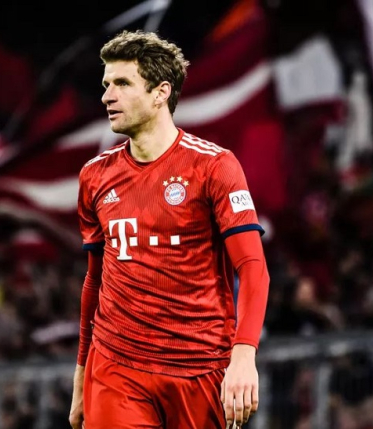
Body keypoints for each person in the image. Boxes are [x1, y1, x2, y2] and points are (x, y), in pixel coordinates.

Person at [69, 30, 270, 429]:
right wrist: (80, 375)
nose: (108, 96)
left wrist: (244, 355)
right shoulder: (94, 177)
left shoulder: (214, 167)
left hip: (199, 367)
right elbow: (95, 281)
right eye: (106, 84)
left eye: (122, 83)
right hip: (116, 367)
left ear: (161, 93)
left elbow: (252, 268)